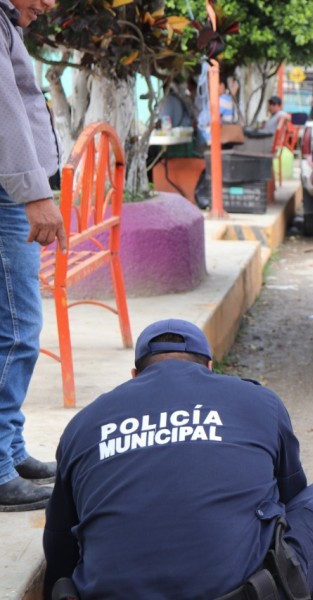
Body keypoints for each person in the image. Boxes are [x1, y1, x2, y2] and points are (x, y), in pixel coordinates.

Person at [42, 319, 313, 599]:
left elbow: (59, 539)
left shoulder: (84, 423)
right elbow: (291, 499)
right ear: (209, 367)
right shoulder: (257, 401)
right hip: (239, 592)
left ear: (135, 374)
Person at [0, 0, 67, 513]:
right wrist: (34, 194)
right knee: (17, 327)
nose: (48, 4)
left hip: (13, 189)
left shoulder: (7, 20)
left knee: (13, 324)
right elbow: (5, 114)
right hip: (9, 193)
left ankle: (11, 449)